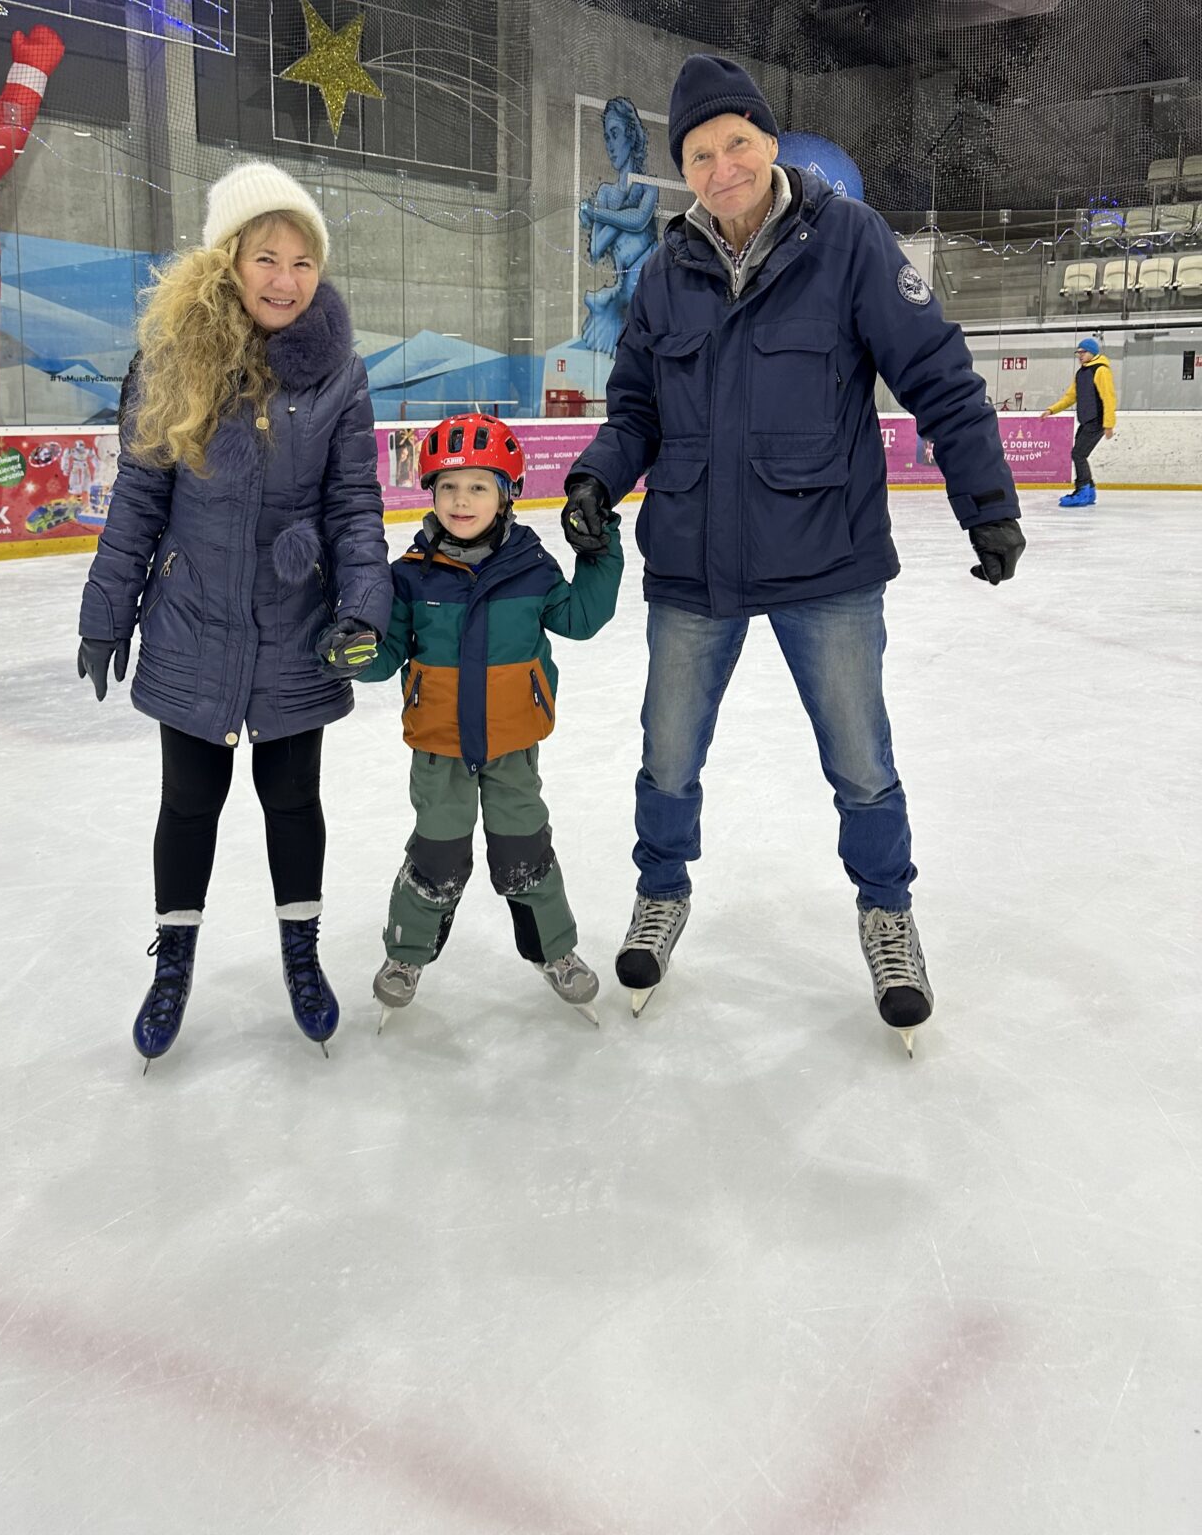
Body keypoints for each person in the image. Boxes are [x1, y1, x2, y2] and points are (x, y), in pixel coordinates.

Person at [561, 56, 1027, 1051]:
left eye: (737, 143)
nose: (722, 167)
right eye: (700, 155)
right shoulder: (664, 271)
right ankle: (660, 893)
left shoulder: (849, 240)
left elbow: (936, 372)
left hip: (827, 558)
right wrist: (597, 477)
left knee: (861, 760)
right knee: (667, 753)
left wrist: (985, 499)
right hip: (694, 560)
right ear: (684, 170)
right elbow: (635, 408)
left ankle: (888, 914)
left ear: (770, 142)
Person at [77, 161, 391, 1060]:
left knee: (293, 799)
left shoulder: (339, 374)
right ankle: (173, 960)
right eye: (267, 258)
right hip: (193, 621)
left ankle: (302, 952)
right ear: (228, 261)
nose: (286, 279)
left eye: (302, 261)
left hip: (295, 625)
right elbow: (139, 500)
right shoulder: (172, 361)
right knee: (189, 802)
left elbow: (354, 505)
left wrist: (363, 604)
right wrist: (107, 612)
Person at [358, 413, 622, 1027]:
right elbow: (387, 656)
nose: (461, 500)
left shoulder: (532, 568)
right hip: (440, 746)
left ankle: (554, 952)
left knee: (524, 851)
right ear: (430, 493)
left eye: (478, 486)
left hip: (512, 742)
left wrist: (599, 551)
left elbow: (581, 619)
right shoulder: (410, 575)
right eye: (448, 486)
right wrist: (355, 651)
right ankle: (405, 957)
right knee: (437, 854)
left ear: (507, 494)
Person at [579, 96, 661, 356]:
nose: (610, 145)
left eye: (615, 134)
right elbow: (595, 248)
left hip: (653, 294)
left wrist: (597, 214)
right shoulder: (606, 193)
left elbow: (639, 220)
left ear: (631, 135)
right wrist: (613, 214)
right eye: (607, 137)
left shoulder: (648, 186)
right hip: (624, 297)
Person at [1047, 337, 1116, 508]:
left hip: (1097, 421)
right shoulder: (1081, 373)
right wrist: (1052, 410)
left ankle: (1082, 491)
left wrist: (1108, 424)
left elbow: (1108, 398)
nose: (1079, 355)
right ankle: (1089, 491)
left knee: (1078, 454)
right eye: (1078, 352)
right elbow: (1071, 397)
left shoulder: (1101, 370)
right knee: (1079, 454)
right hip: (1086, 420)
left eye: (1083, 352)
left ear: (1092, 352)